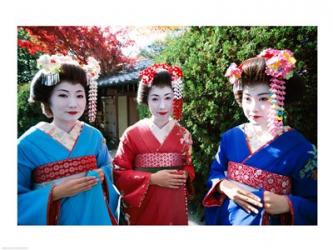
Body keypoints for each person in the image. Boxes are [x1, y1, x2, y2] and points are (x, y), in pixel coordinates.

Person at [203, 48, 317, 225]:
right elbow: (215, 172)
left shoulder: (302, 148)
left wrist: (288, 204)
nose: (253, 108)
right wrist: (224, 186)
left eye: (264, 99)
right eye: (247, 98)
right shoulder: (231, 137)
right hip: (227, 220)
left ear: (280, 99)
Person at [18, 54, 120, 225]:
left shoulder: (94, 136)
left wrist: (103, 174)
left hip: (94, 217)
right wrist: (55, 193)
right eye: (63, 95)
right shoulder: (27, 144)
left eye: (79, 95)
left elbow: (110, 169)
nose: (73, 104)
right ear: (47, 99)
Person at [113, 64, 195, 225]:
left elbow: (189, 166)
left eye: (168, 97)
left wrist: (185, 174)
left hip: (173, 201)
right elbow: (118, 172)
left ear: (175, 98)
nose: (162, 106)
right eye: (155, 98)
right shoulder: (132, 133)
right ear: (146, 100)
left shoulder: (184, 134)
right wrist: (151, 179)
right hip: (143, 203)